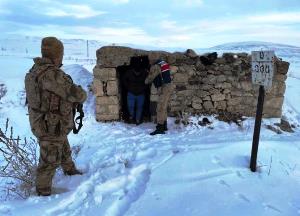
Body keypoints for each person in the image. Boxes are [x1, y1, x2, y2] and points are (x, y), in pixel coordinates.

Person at [25, 37, 87, 196]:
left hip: (47, 123)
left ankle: (70, 170)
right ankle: (43, 193)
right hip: (50, 126)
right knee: (49, 161)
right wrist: (80, 92)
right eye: (61, 54)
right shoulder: (51, 75)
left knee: (63, 146)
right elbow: (77, 95)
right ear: (57, 55)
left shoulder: (34, 71)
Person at [145, 59, 173, 135]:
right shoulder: (163, 63)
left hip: (164, 88)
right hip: (168, 86)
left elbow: (149, 79)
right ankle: (164, 125)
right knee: (164, 107)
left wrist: (145, 80)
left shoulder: (156, 66)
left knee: (160, 108)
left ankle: (160, 128)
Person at [123, 60, 148, 125]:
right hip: (131, 93)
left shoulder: (144, 72)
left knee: (139, 107)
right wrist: (128, 87)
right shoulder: (129, 72)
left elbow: (148, 81)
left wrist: (144, 88)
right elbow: (124, 79)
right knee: (131, 106)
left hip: (140, 93)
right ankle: (132, 117)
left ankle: (137, 119)